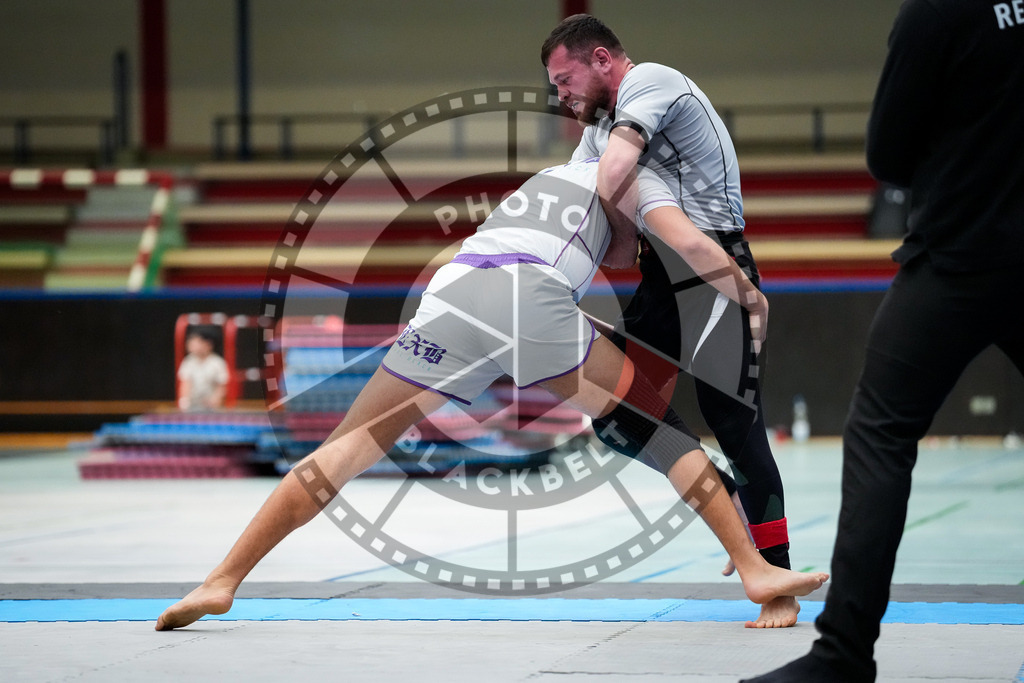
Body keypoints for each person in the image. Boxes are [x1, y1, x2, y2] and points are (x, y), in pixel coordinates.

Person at [155, 159, 828, 631]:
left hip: (451, 293)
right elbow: (675, 237)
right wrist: (743, 287)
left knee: (344, 450)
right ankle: (755, 568)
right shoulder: (629, 174)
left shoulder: (543, 184)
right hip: (521, 294)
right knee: (656, 421)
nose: (632, 256)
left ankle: (223, 578)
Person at [745, 1, 1024, 680]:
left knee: (878, 435)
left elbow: (887, 152)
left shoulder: (937, 9)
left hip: (957, 255)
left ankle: (843, 653)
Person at [541, 14, 796, 628]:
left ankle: (779, 583)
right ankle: (725, 495)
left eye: (565, 79)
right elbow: (600, 223)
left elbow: (610, 180)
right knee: (611, 410)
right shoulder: (598, 130)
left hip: (712, 269)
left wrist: (746, 295)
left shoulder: (651, 81)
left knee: (733, 424)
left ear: (602, 58)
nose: (560, 96)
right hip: (663, 277)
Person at [177, 330, 229, 411]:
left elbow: (222, 386)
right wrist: (184, 401)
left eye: (196, 342)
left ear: (207, 344)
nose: (191, 345)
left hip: (212, 406)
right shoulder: (188, 361)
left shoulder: (218, 363)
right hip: (192, 405)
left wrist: (214, 401)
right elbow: (185, 383)